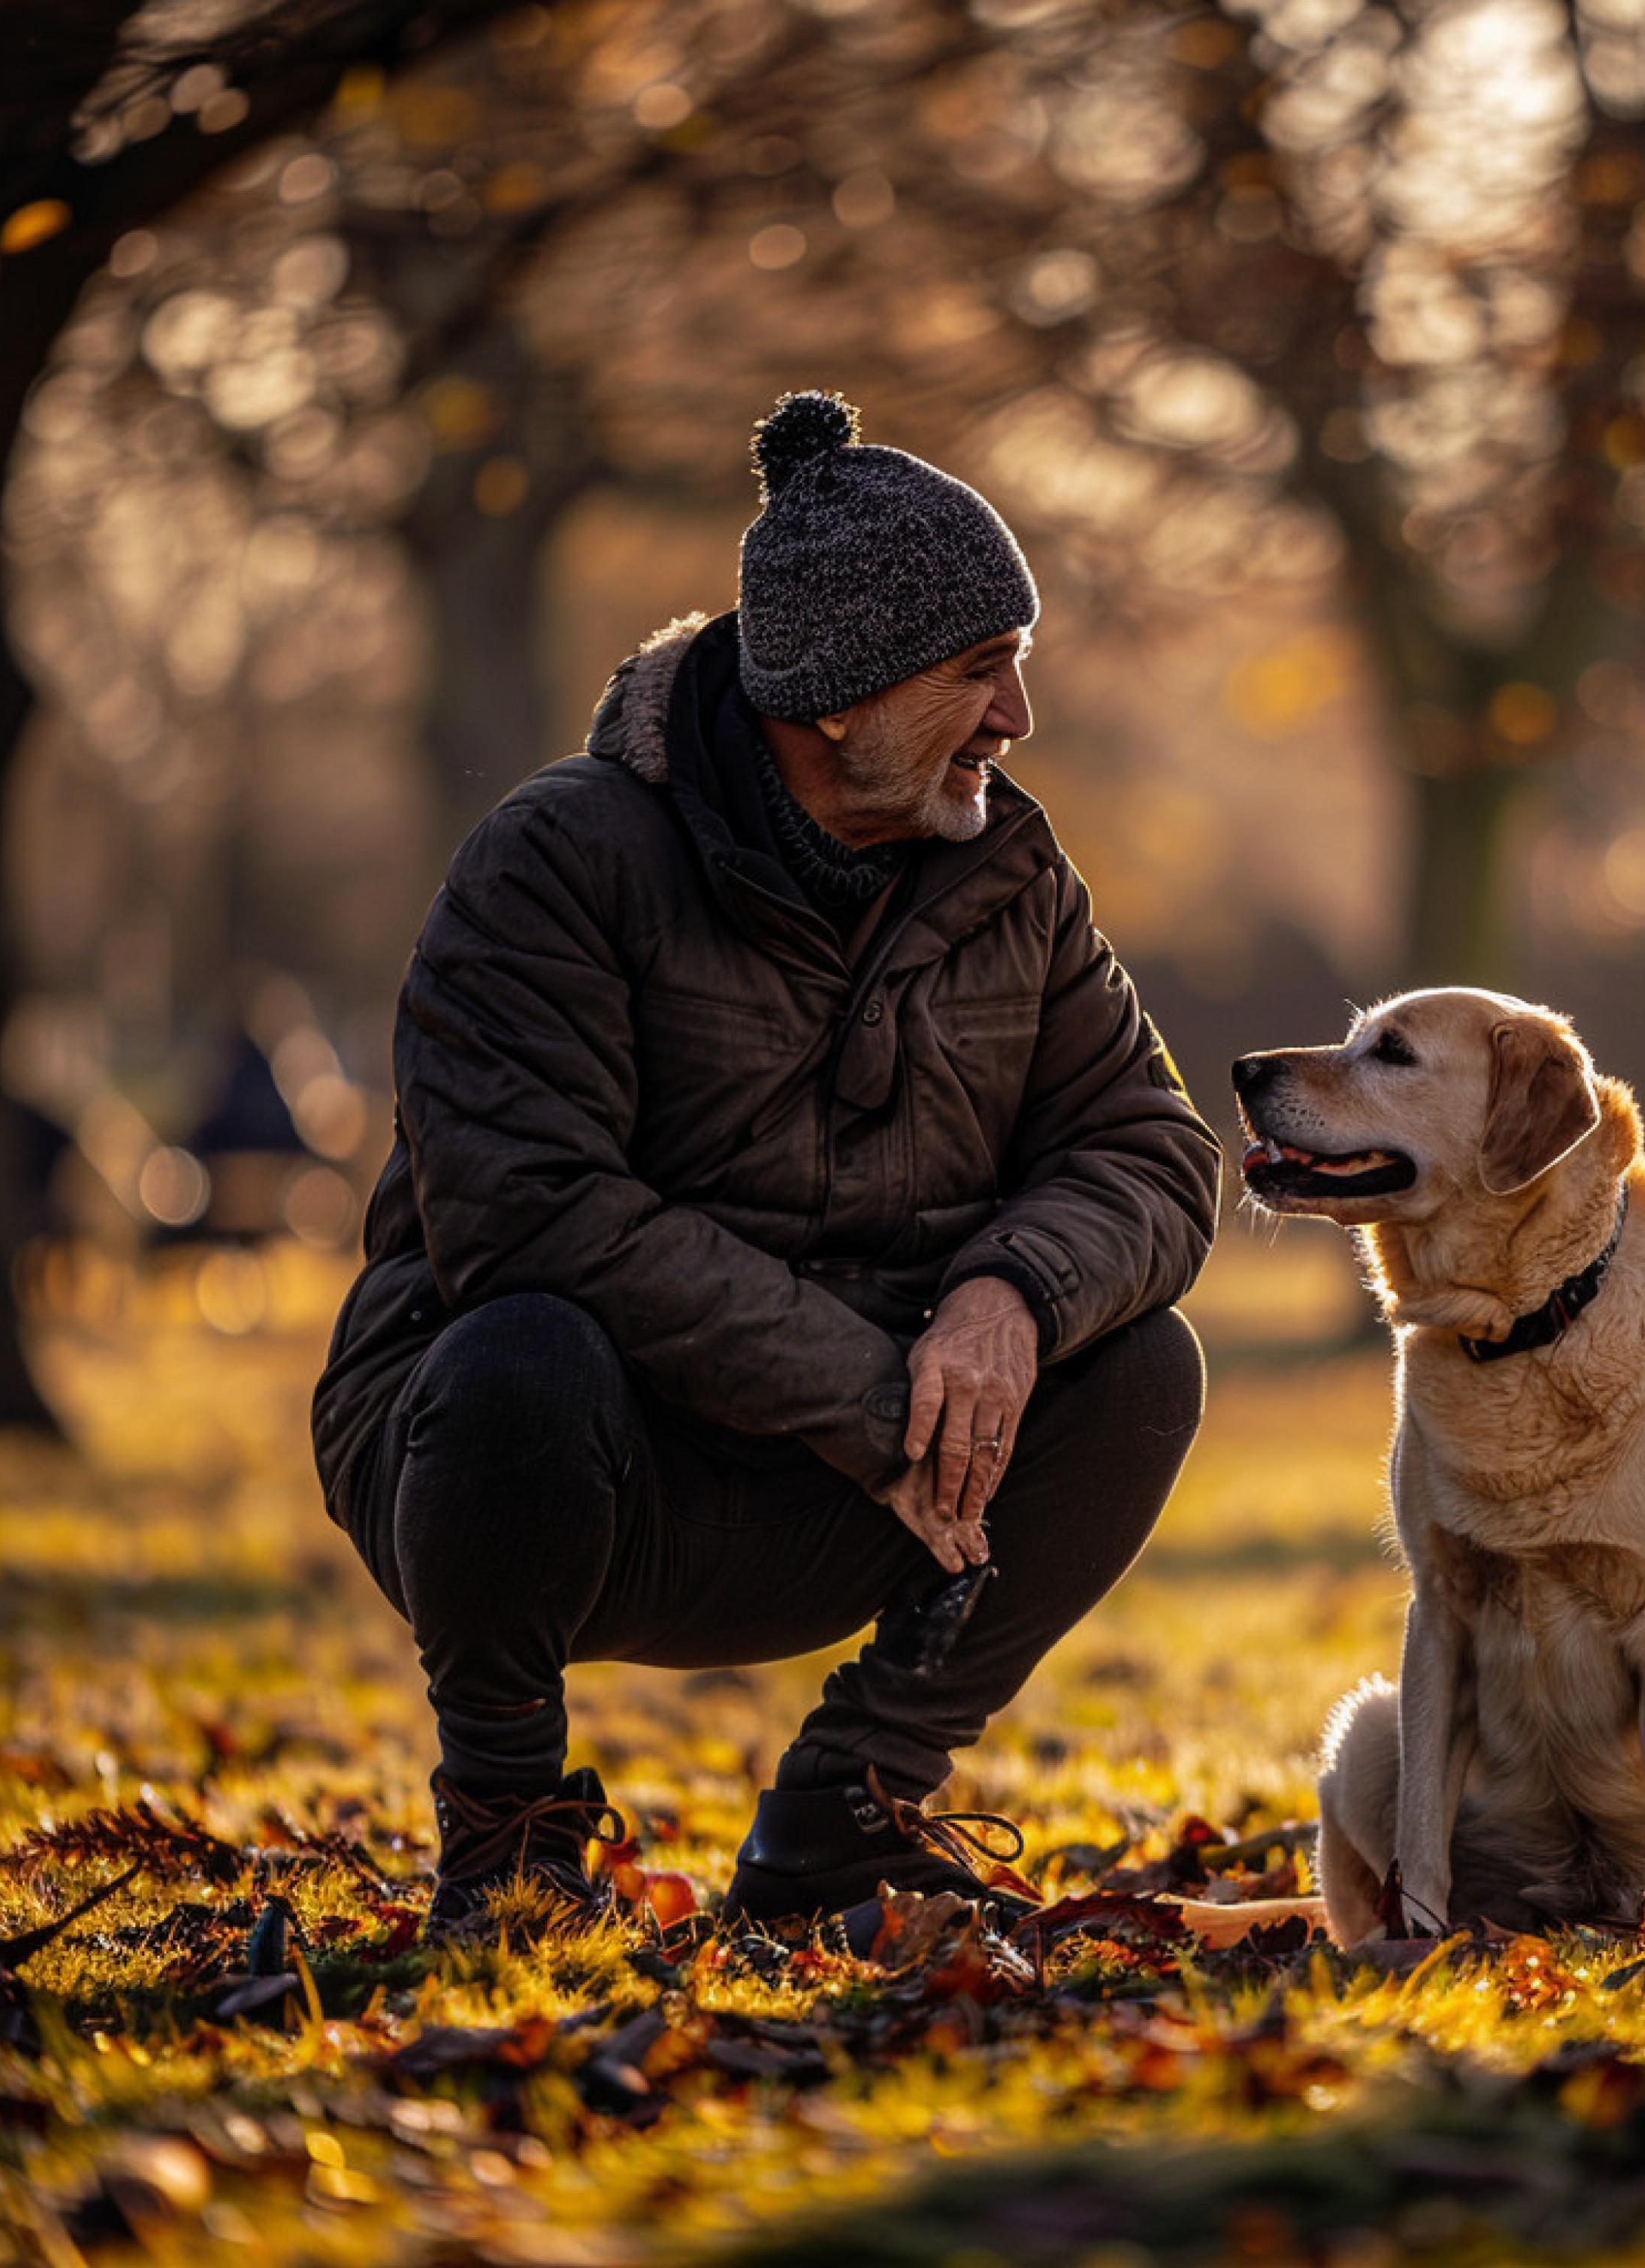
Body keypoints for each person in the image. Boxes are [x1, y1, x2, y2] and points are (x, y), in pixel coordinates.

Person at [308, 388, 1221, 1945]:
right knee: (522, 1353)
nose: (1017, 716)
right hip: (553, 1473)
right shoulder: (560, 859)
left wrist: (1011, 1291)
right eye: (977, 672)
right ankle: (512, 1837)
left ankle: (845, 1823)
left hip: (863, 1482)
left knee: (1140, 1367)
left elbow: (1151, 1147)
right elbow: (529, 1211)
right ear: (837, 700)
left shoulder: (1012, 866)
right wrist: (874, 1407)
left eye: (1020, 664)